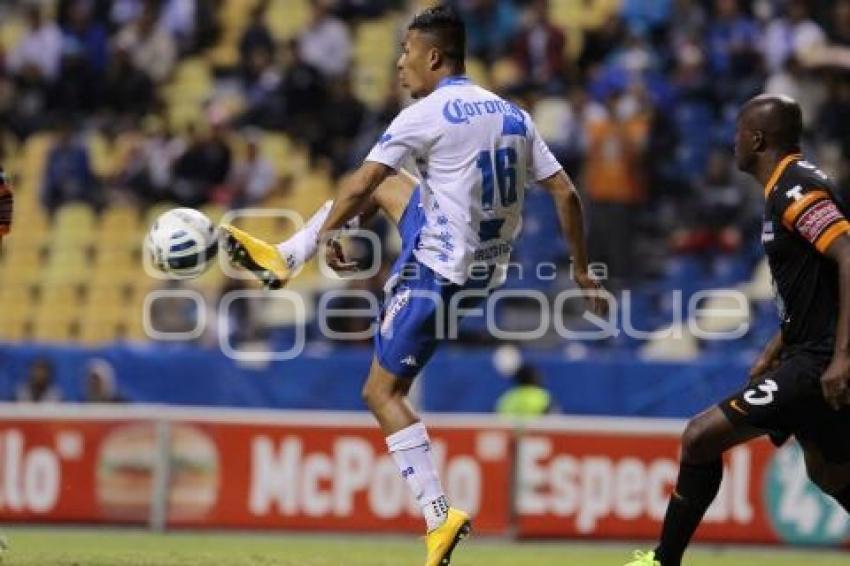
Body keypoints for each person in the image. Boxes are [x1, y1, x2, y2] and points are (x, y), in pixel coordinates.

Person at [220, 6, 603, 565]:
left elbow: (360, 179)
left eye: (405, 53)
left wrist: (331, 231)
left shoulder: (427, 114)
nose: (399, 63)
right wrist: (581, 268)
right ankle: (282, 258)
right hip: (484, 271)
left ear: (433, 57)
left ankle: (439, 514)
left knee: (380, 393)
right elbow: (566, 193)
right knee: (391, 189)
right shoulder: (513, 114)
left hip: (437, 274)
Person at [626, 94, 850, 566]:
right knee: (829, 472)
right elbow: (818, 286)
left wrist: (841, 357)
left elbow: (848, 257)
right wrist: (775, 345)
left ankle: (663, 561)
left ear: (756, 139)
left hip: (817, 362)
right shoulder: (786, 189)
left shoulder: (795, 188)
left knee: (699, 437)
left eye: (737, 135)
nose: (733, 144)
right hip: (804, 353)